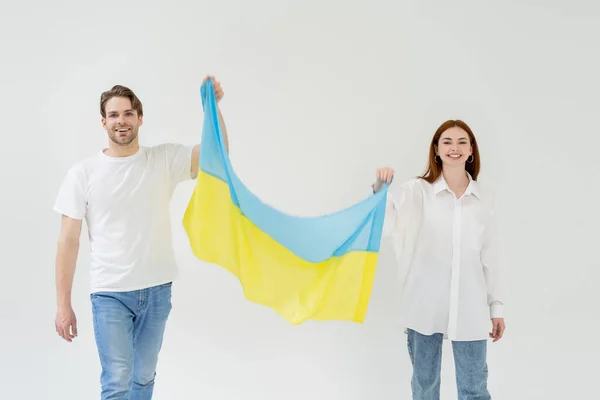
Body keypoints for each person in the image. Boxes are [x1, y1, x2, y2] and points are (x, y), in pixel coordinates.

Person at [53, 76, 228, 399]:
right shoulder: (83, 173)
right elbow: (68, 242)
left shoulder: (162, 159)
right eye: (115, 115)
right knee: (117, 381)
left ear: (140, 118)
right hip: (110, 294)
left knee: (144, 379)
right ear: (104, 122)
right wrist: (63, 305)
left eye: (128, 113)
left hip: (157, 290)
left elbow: (217, 154)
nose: (122, 121)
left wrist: (212, 108)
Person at [372, 120, 505, 400]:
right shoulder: (417, 191)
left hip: (470, 308)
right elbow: (384, 226)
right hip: (424, 307)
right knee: (425, 386)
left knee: (474, 390)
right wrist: (379, 193)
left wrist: (496, 308)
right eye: (447, 142)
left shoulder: (484, 198)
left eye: (461, 142)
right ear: (436, 149)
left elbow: (489, 256)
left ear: (471, 150)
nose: (454, 148)